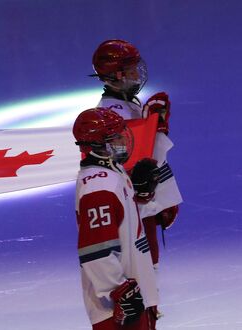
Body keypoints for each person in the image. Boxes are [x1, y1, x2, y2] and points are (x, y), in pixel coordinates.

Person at [91, 39, 183, 270]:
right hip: (134, 204)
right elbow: (137, 160)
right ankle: (146, 306)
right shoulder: (113, 114)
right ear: (117, 75)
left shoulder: (127, 105)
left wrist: (163, 198)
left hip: (142, 200)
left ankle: (150, 305)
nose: (137, 74)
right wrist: (158, 128)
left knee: (148, 265)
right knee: (142, 266)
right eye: (131, 69)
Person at [73, 108, 159, 329]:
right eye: (116, 136)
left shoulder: (113, 173)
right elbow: (95, 248)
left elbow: (121, 221)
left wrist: (140, 195)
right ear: (99, 145)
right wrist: (119, 290)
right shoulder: (98, 186)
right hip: (116, 306)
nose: (124, 139)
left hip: (132, 291)